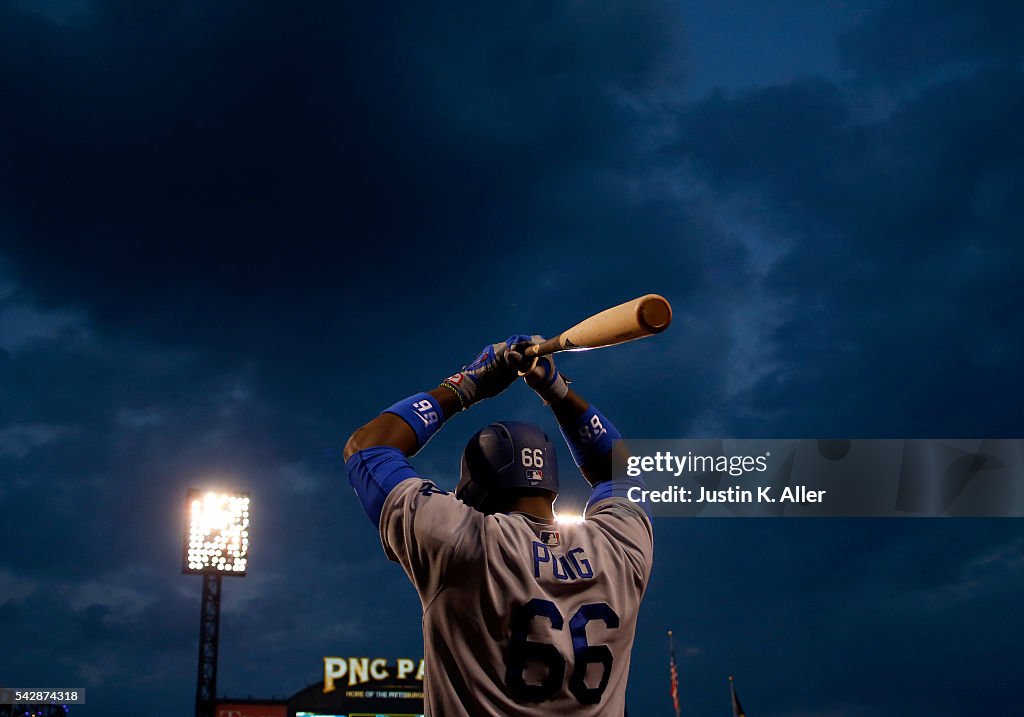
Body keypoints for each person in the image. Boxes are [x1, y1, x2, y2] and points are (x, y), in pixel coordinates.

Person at [343, 335, 653, 716]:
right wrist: (557, 390)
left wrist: (465, 385)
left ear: (475, 491)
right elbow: (619, 468)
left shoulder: (463, 542)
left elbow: (367, 447)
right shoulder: (619, 549)